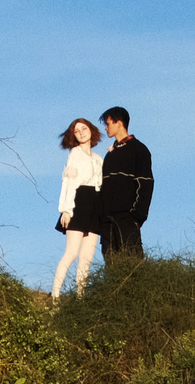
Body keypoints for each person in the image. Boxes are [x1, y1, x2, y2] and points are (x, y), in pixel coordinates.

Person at [50, 117, 106, 299]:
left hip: (95, 204)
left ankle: (80, 299)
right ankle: (55, 296)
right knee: (72, 253)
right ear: (73, 136)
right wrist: (66, 209)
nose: (81, 132)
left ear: (91, 130)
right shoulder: (75, 153)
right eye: (77, 131)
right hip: (79, 202)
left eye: (84, 128)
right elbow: (69, 181)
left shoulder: (99, 158)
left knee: (87, 259)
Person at [98, 106, 154, 257]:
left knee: (132, 263)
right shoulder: (110, 155)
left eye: (108, 123)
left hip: (127, 219)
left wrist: (137, 216)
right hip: (107, 222)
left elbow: (145, 184)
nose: (106, 127)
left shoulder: (139, 149)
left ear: (119, 123)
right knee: (111, 267)